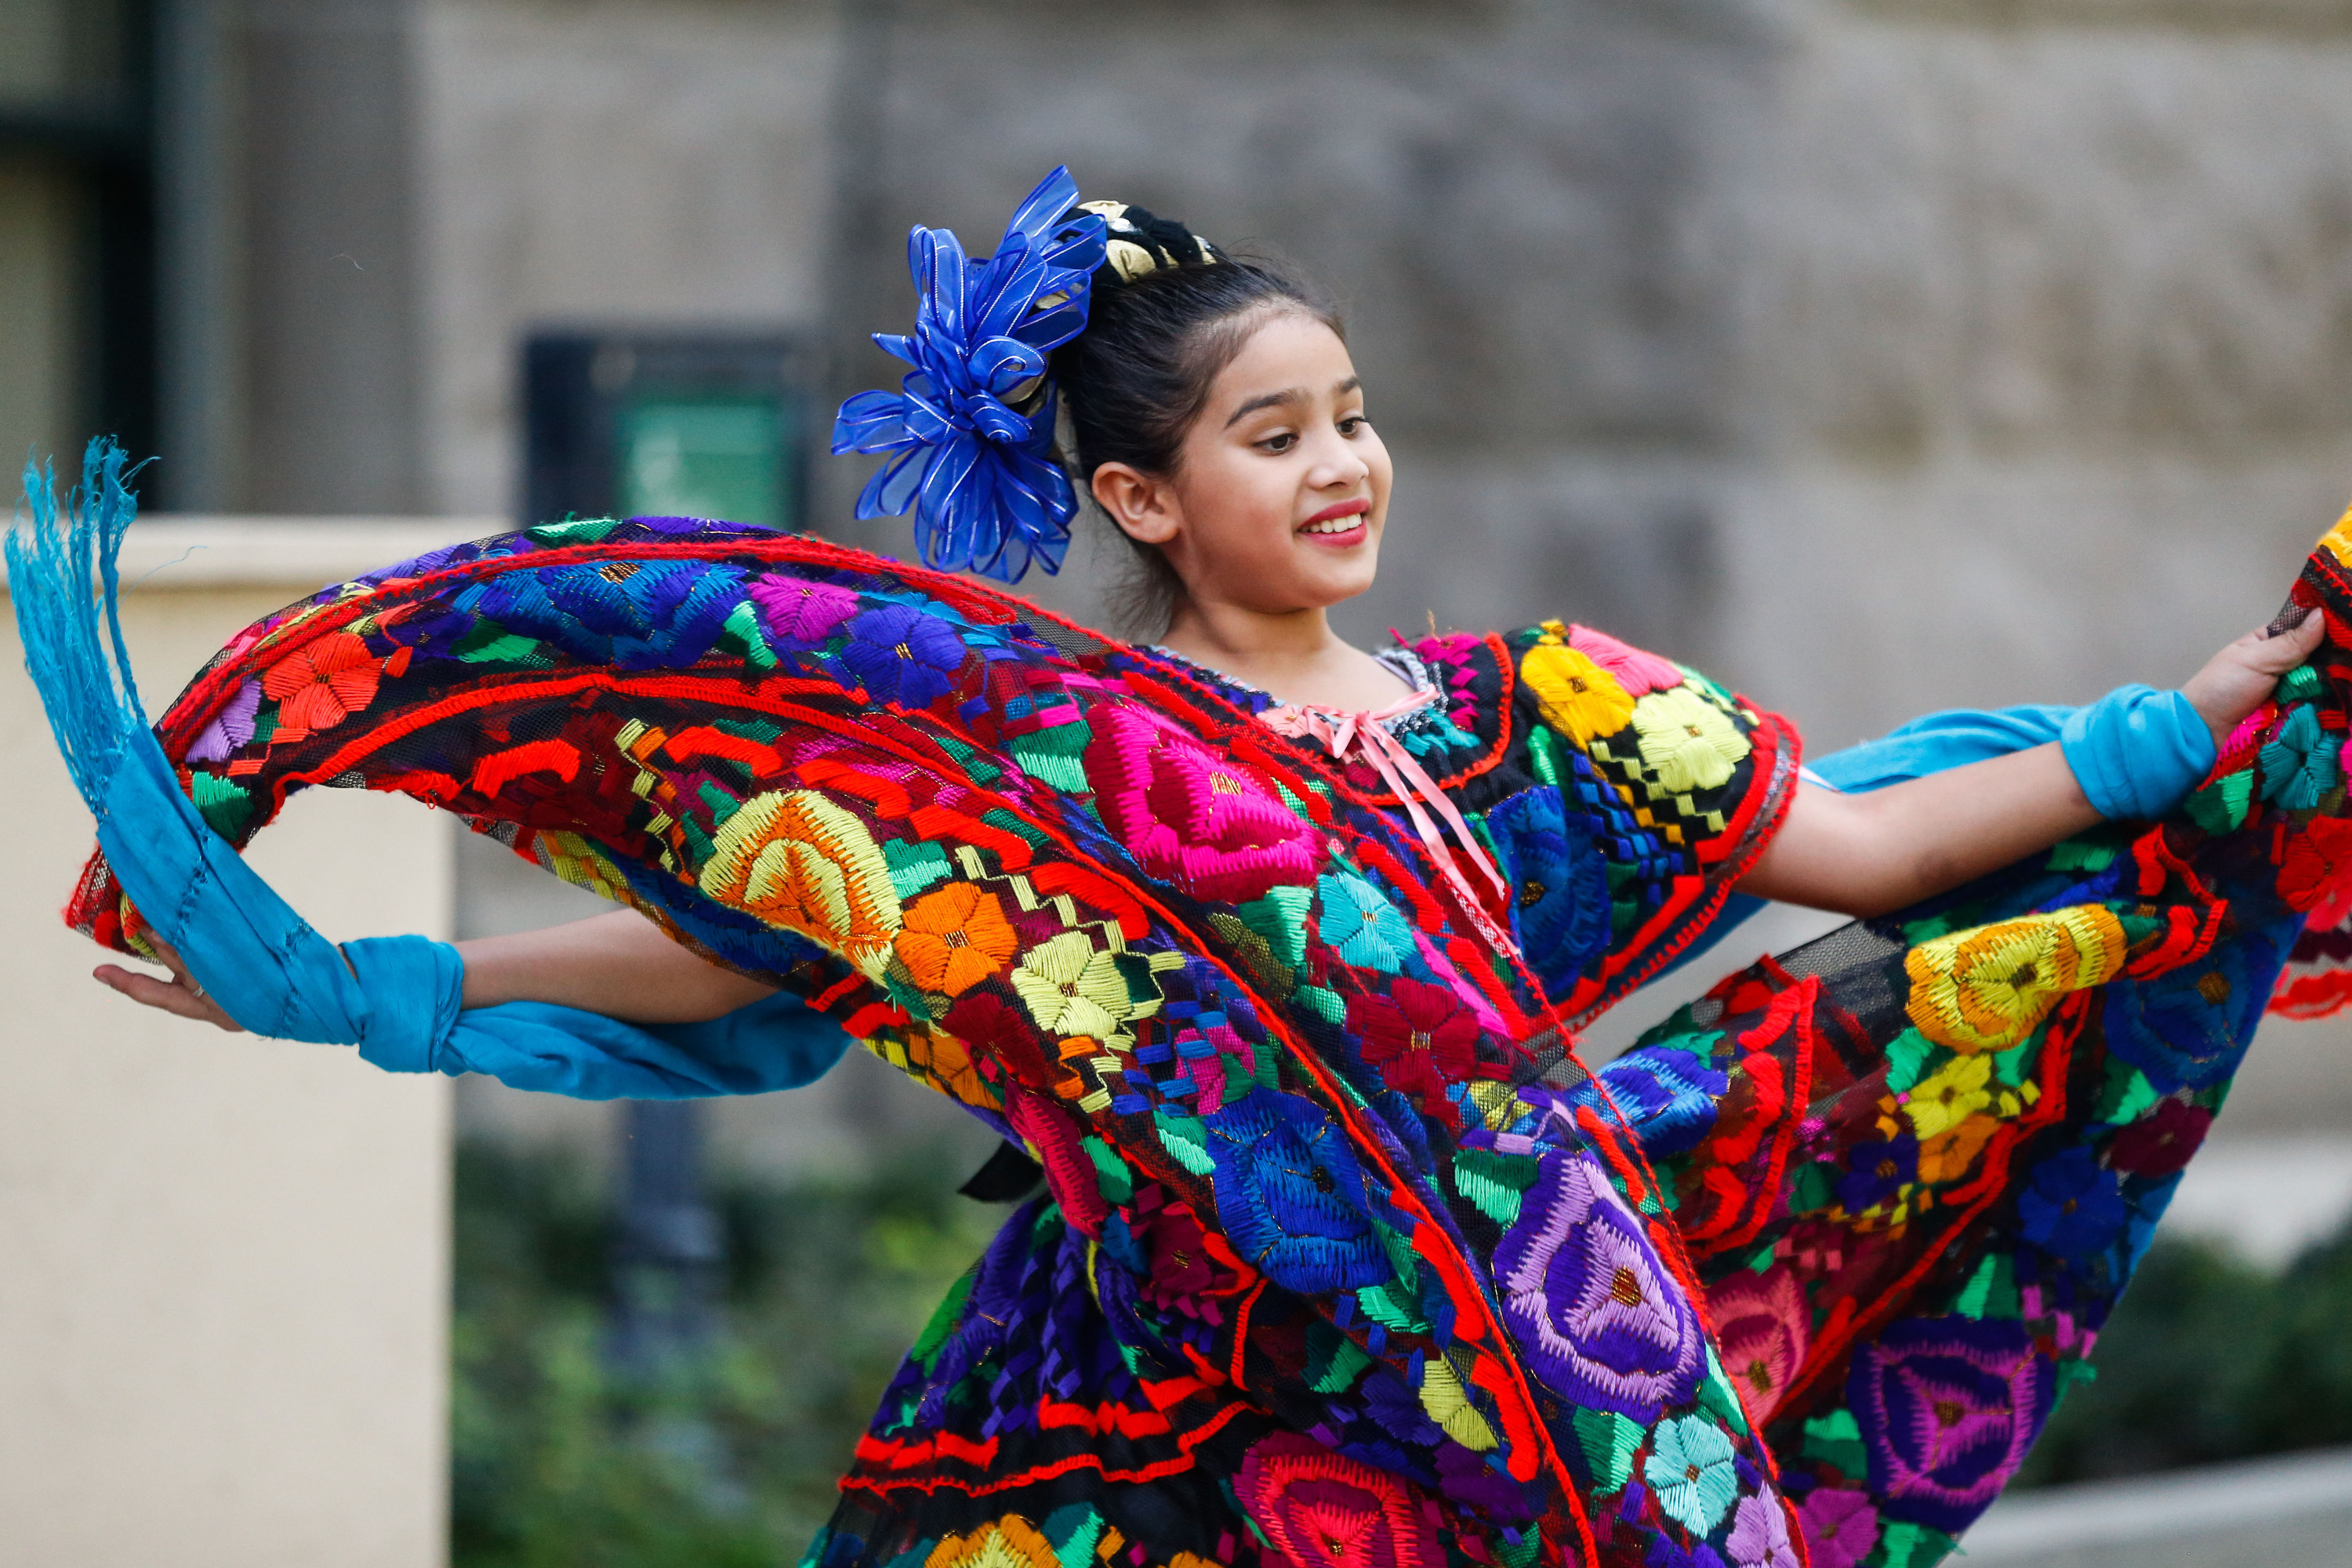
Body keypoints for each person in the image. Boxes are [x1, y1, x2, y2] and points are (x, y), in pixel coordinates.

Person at [16, 166, 2348, 1568]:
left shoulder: (1550, 708)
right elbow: (759, 954)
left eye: (1351, 417)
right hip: (1130, 1408)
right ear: (1142, 501)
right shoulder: (1062, 779)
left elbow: (1877, 840)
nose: (1343, 467)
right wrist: (362, 993)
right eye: (1276, 433)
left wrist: (2190, 720)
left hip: (1501, 1351)